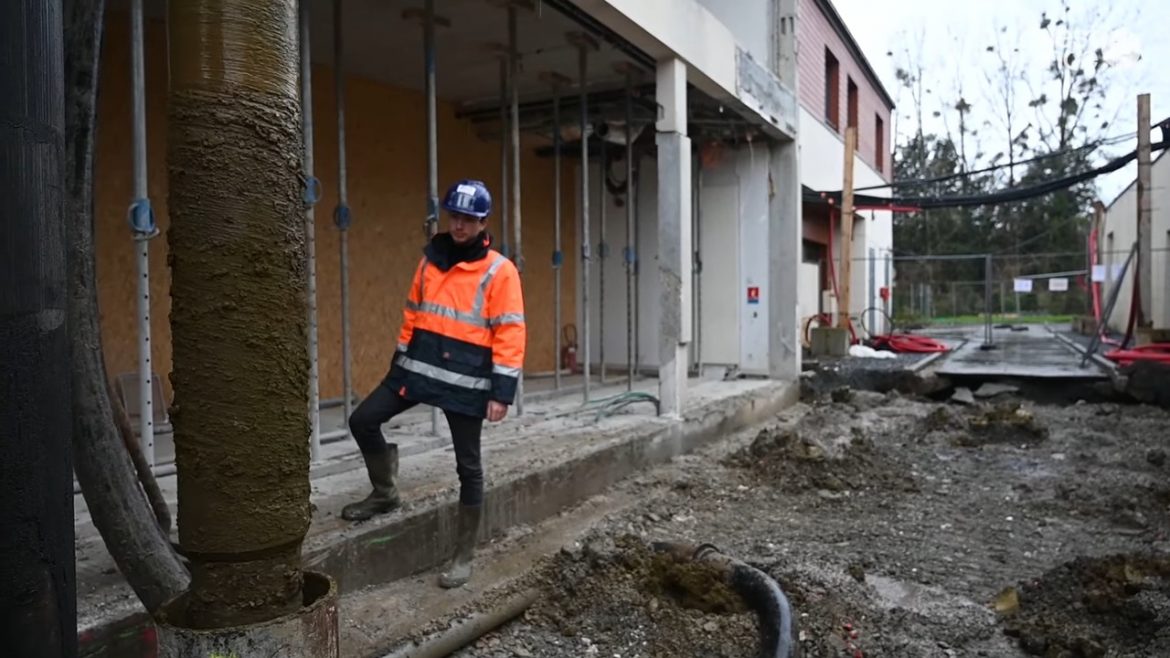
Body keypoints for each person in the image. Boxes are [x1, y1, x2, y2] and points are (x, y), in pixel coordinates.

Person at [343, 179, 525, 589]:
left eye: (468, 219)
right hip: (418, 371)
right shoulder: (431, 260)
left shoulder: (500, 270)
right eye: (454, 216)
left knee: (468, 467)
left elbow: (510, 332)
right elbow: (413, 312)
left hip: (466, 383)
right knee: (362, 420)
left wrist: (502, 392)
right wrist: (399, 363)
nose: (459, 225)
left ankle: (463, 554)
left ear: (482, 222)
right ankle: (385, 491)